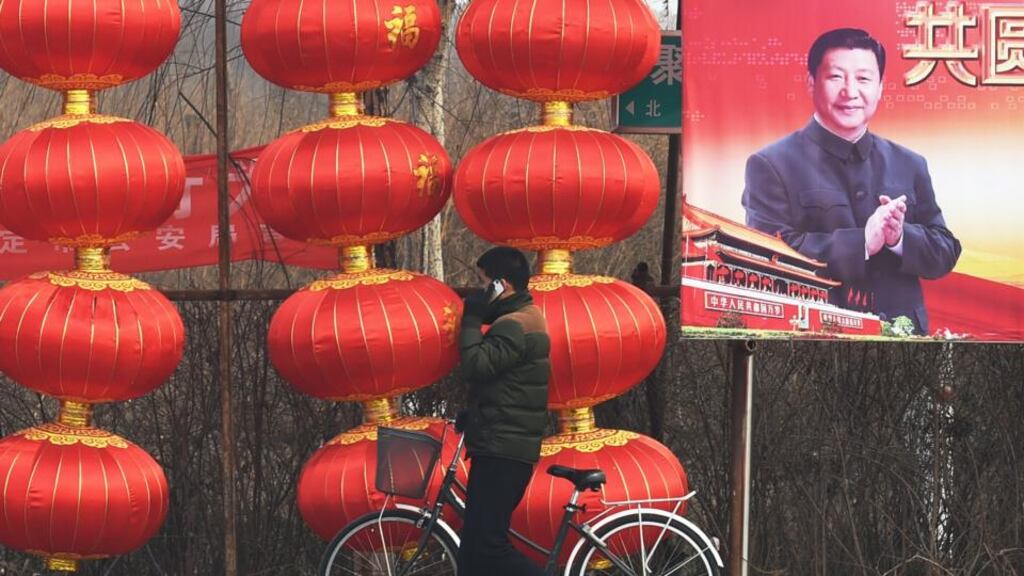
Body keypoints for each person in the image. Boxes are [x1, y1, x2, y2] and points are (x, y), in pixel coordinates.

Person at [741, 28, 961, 334]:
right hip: (814, 338)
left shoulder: (910, 163)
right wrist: (864, 243)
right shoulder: (770, 164)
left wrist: (899, 238)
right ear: (811, 82)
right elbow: (766, 256)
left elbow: (945, 251)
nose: (850, 91)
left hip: (905, 342)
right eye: (836, 77)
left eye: (863, 79)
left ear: (881, 87)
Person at [457, 246, 549, 576]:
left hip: (504, 450)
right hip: (501, 443)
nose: (480, 292)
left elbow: (475, 366)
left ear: (502, 285)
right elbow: (504, 383)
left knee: (488, 547)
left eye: (484, 284)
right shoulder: (522, 318)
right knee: (472, 552)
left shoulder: (515, 324)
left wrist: (470, 321)